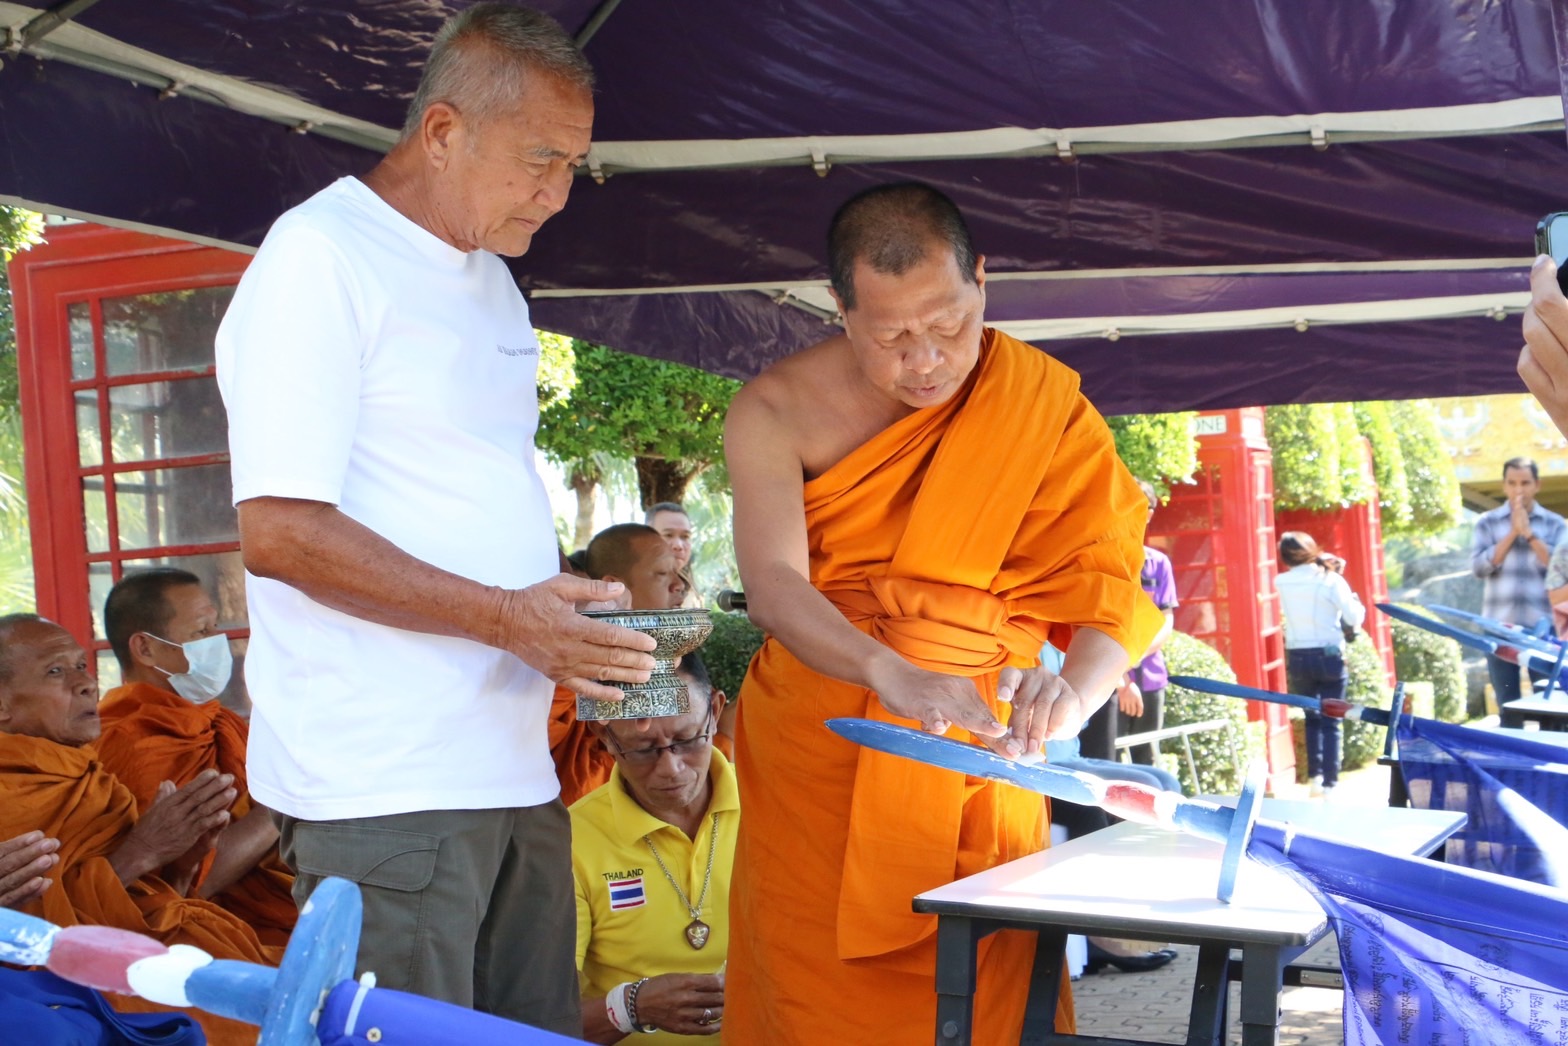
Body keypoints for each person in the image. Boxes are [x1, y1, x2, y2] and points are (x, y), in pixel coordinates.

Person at [213, 5, 657, 1029]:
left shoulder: (493, 282)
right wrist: (508, 617)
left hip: (511, 765)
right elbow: (279, 532)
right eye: (539, 159)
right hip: (386, 786)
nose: (557, 193)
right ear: (443, 132)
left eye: (573, 165)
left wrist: (565, 614)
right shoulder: (321, 255)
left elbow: (458, 496)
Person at [723, 182, 1163, 1044]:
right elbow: (773, 584)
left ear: (982, 281)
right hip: (829, 736)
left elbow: (1113, 580)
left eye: (949, 325)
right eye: (890, 338)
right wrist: (888, 672)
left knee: (991, 982)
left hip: (980, 738)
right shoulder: (774, 409)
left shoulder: (1037, 405)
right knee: (821, 1002)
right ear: (840, 308)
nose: (925, 360)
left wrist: (1072, 696)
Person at [0, 614, 280, 1045]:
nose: (86, 683)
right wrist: (141, 852)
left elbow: (152, 900)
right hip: (88, 991)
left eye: (82, 666)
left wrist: (182, 861)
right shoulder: (11, 794)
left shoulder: (90, 775)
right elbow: (31, 939)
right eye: (56, 671)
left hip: (175, 955)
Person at [93, 568, 296, 946]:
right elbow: (197, 876)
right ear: (145, 648)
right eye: (201, 632)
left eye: (215, 627)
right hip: (213, 937)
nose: (217, 641)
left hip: (283, 915)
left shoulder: (217, 720)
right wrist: (286, 795)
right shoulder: (129, 743)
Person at [571, 655, 732, 1043]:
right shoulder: (569, 840)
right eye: (642, 749)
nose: (670, 769)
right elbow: (537, 1018)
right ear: (603, 735)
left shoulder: (776, 811)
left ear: (715, 711)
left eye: (687, 740)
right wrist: (630, 1008)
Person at [552, 524, 685, 807]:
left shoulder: (678, 665)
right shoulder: (559, 677)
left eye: (677, 572)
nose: (679, 585)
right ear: (613, 591)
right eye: (662, 573)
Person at [1469, 457, 1566, 702]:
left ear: (1537, 485)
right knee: (1507, 702)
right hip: (1498, 626)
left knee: (1549, 701)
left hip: (1544, 627)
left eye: (1525, 483)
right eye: (1512, 483)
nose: (1518, 490)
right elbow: (1479, 568)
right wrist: (1513, 532)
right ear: (1504, 485)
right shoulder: (1487, 522)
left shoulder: (1556, 524)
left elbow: (1562, 571)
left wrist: (1529, 534)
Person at [1276, 534, 1365, 798]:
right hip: (1329, 654)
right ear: (1312, 550)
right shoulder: (1331, 580)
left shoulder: (1280, 581)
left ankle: (1315, 778)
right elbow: (1354, 617)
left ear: (1284, 557)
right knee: (1332, 720)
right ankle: (1330, 784)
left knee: (1311, 718)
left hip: (1297, 655)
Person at [1118, 480, 1179, 764]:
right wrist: (1121, 679)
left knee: (1147, 758)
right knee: (1107, 759)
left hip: (1151, 677)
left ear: (1150, 514)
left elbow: (1166, 620)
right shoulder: (1104, 559)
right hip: (1108, 681)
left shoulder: (1158, 563)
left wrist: (1134, 659)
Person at [647, 502, 699, 607]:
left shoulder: (688, 589)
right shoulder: (630, 587)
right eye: (668, 535)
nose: (678, 545)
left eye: (685, 536)